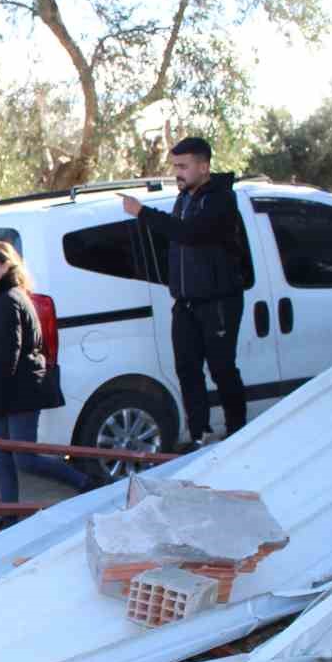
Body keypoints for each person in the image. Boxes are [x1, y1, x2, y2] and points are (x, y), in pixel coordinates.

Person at [121, 135, 248, 447]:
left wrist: (143, 213)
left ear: (204, 166)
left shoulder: (219, 199)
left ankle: (239, 432)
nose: (177, 172)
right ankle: (200, 434)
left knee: (221, 368)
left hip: (217, 301)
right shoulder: (184, 198)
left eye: (183, 166)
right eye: (175, 166)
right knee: (187, 370)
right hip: (186, 303)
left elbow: (190, 234)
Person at [0, 241, 95, 518]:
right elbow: (8, 344)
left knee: (24, 458)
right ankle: (9, 516)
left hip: (21, 391)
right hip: (7, 389)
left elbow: (7, 358)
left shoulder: (8, 300)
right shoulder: (3, 298)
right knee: (1, 455)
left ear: (5, 266)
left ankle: (85, 483)